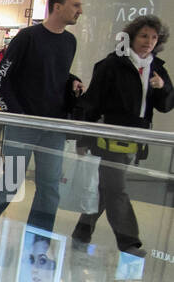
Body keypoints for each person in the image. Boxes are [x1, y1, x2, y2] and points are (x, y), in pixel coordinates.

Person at [0, 0, 85, 244]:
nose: (80, 10)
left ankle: (38, 241)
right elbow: (0, 80)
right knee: (11, 184)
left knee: (49, 189)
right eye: (75, 5)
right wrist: (18, 115)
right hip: (23, 124)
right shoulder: (28, 37)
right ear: (57, 6)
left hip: (53, 126)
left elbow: (52, 76)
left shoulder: (70, 42)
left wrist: (72, 82)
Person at [72, 14, 173, 256]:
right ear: (132, 37)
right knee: (116, 188)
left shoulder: (156, 69)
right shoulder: (112, 65)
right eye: (143, 35)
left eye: (153, 37)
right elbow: (92, 103)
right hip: (109, 137)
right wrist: (84, 138)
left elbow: (166, 105)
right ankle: (129, 242)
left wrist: (163, 88)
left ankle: (82, 231)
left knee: (107, 188)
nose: (148, 41)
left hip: (135, 140)